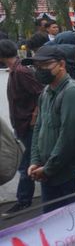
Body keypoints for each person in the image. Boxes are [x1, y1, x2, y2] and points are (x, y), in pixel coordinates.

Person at [23, 46, 75, 212]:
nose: (40, 70)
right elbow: (38, 128)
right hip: (48, 175)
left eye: (45, 65)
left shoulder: (72, 92)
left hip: (68, 177)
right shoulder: (45, 92)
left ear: (61, 64)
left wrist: (47, 169)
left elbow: (70, 137)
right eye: (36, 66)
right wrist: (35, 161)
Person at [0, 40, 44, 215]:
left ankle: (23, 200)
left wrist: (34, 116)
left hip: (28, 125)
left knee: (27, 165)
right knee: (27, 164)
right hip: (22, 124)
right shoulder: (15, 70)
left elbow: (40, 93)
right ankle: (24, 199)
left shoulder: (21, 71)